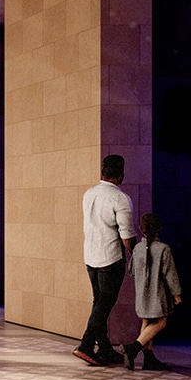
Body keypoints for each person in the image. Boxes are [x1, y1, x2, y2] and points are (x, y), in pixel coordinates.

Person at [75, 154, 136, 366]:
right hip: (110, 257)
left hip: (91, 255)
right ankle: (86, 344)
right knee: (104, 303)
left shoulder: (89, 193)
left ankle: (104, 348)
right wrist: (136, 256)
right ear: (122, 173)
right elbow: (126, 234)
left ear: (103, 171)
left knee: (99, 302)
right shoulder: (120, 198)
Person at [122, 213, 181, 371]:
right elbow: (170, 274)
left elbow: (131, 270)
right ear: (159, 229)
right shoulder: (163, 249)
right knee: (161, 322)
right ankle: (132, 348)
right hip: (158, 294)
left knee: (146, 321)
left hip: (142, 293)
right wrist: (176, 294)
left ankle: (148, 358)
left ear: (141, 228)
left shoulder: (137, 249)